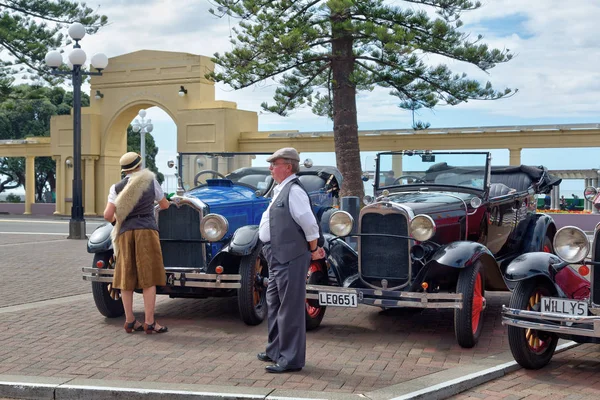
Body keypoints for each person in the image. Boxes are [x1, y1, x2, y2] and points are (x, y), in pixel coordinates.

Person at [257, 147, 326, 373]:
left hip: (290, 256)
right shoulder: (281, 189)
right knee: (274, 303)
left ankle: (291, 359)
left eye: (274, 164)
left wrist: (314, 250)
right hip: (276, 255)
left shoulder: (294, 191)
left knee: (291, 308)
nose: (270, 168)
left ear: (288, 166)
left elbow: (309, 224)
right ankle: (275, 350)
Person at [103, 152, 170, 334]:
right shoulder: (150, 181)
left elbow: (108, 215)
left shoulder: (116, 187)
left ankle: (130, 321)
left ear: (124, 170)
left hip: (125, 233)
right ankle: (150, 322)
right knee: (149, 278)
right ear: (140, 165)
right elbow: (164, 205)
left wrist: (118, 223)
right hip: (146, 231)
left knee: (126, 277)